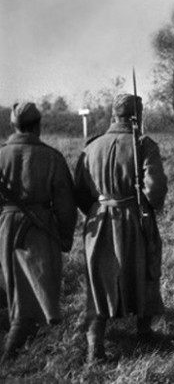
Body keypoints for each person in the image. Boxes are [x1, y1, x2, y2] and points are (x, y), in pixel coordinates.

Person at [74, 93, 168, 363]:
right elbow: (155, 190)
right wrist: (147, 203)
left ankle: (95, 344)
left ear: (114, 114)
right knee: (145, 268)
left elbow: (79, 190)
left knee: (100, 279)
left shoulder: (91, 147)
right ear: (139, 115)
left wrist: (97, 209)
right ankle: (144, 331)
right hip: (134, 218)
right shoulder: (144, 144)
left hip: (98, 220)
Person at [0, 102, 77, 361]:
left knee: (14, 284)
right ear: (38, 126)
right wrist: (65, 236)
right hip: (39, 228)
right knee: (38, 283)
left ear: (13, 125)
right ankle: (16, 347)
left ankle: (25, 338)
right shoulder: (52, 157)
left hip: (5, 227)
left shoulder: (1, 155)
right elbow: (65, 204)